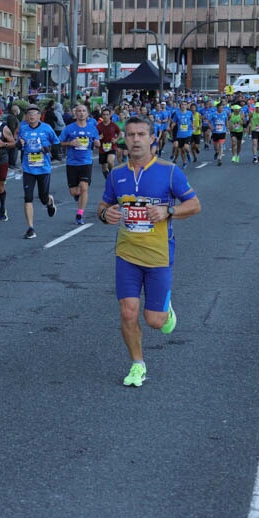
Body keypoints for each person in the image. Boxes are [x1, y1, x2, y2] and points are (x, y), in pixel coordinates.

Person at [97, 116, 201, 388]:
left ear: (152, 138)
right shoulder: (117, 174)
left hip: (159, 255)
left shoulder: (168, 171)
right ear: (125, 138)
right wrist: (106, 214)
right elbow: (103, 206)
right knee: (128, 312)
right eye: (130, 135)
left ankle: (165, 310)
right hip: (127, 254)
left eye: (141, 134)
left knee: (155, 321)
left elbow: (194, 205)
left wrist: (169, 210)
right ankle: (137, 364)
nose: (135, 140)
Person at [16, 106, 58, 239]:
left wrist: (47, 148)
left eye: (34, 113)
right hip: (28, 168)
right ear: (27, 116)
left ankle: (49, 201)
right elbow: (18, 144)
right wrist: (19, 144)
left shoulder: (47, 128)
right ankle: (30, 228)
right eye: (29, 114)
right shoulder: (23, 128)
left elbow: (56, 143)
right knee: (28, 197)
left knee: (42, 197)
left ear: (39, 116)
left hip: (43, 168)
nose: (32, 116)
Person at [57, 104, 101, 225]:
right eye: (79, 111)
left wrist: (97, 143)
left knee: (84, 187)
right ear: (75, 114)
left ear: (87, 114)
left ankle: (79, 214)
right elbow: (59, 142)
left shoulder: (92, 128)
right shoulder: (69, 128)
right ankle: (77, 196)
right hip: (72, 162)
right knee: (74, 192)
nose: (81, 113)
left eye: (83, 111)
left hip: (86, 161)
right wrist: (70, 143)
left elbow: (97, 142)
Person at [97, 107, 121, 178]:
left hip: (111, 146)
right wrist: (98, 137)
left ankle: (111, 172)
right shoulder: (99, 126)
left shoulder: (113, 125)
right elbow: (95, 136)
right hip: (102, 148)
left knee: (110, 161)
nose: (105, 116)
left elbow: (120, 133)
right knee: (104, 168)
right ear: (102, 115)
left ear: (110, 115)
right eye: (104, 115)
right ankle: (108, 178)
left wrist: (116, 140)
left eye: (107, 114)